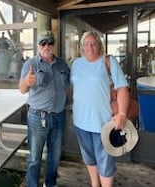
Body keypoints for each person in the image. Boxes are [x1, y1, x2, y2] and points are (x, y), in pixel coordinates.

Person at [70, 31, 129, 187]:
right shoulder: (76, 64)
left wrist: (122, 113)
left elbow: (122, 88)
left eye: (93, 43)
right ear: (82, 47)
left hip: (103, 123)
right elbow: (71, 87)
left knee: (105, 163)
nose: (90, 47)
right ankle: (95, 184)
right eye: (86, 44)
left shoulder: (108, 61)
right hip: (80, 122)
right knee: (89, 157)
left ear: (99, 45)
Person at [19, 30, 70, 187]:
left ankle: (50, 184)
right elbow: (21, 89)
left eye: (50, 43)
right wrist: (27, 81)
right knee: (34, 158)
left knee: (54, 157)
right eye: (43, 43)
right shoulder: (30, 64)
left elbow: (69, 87)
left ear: (53, 44)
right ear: (37, 45)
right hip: (37, 117)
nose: (46, 46)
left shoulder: (62, 64)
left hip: (59, 116)